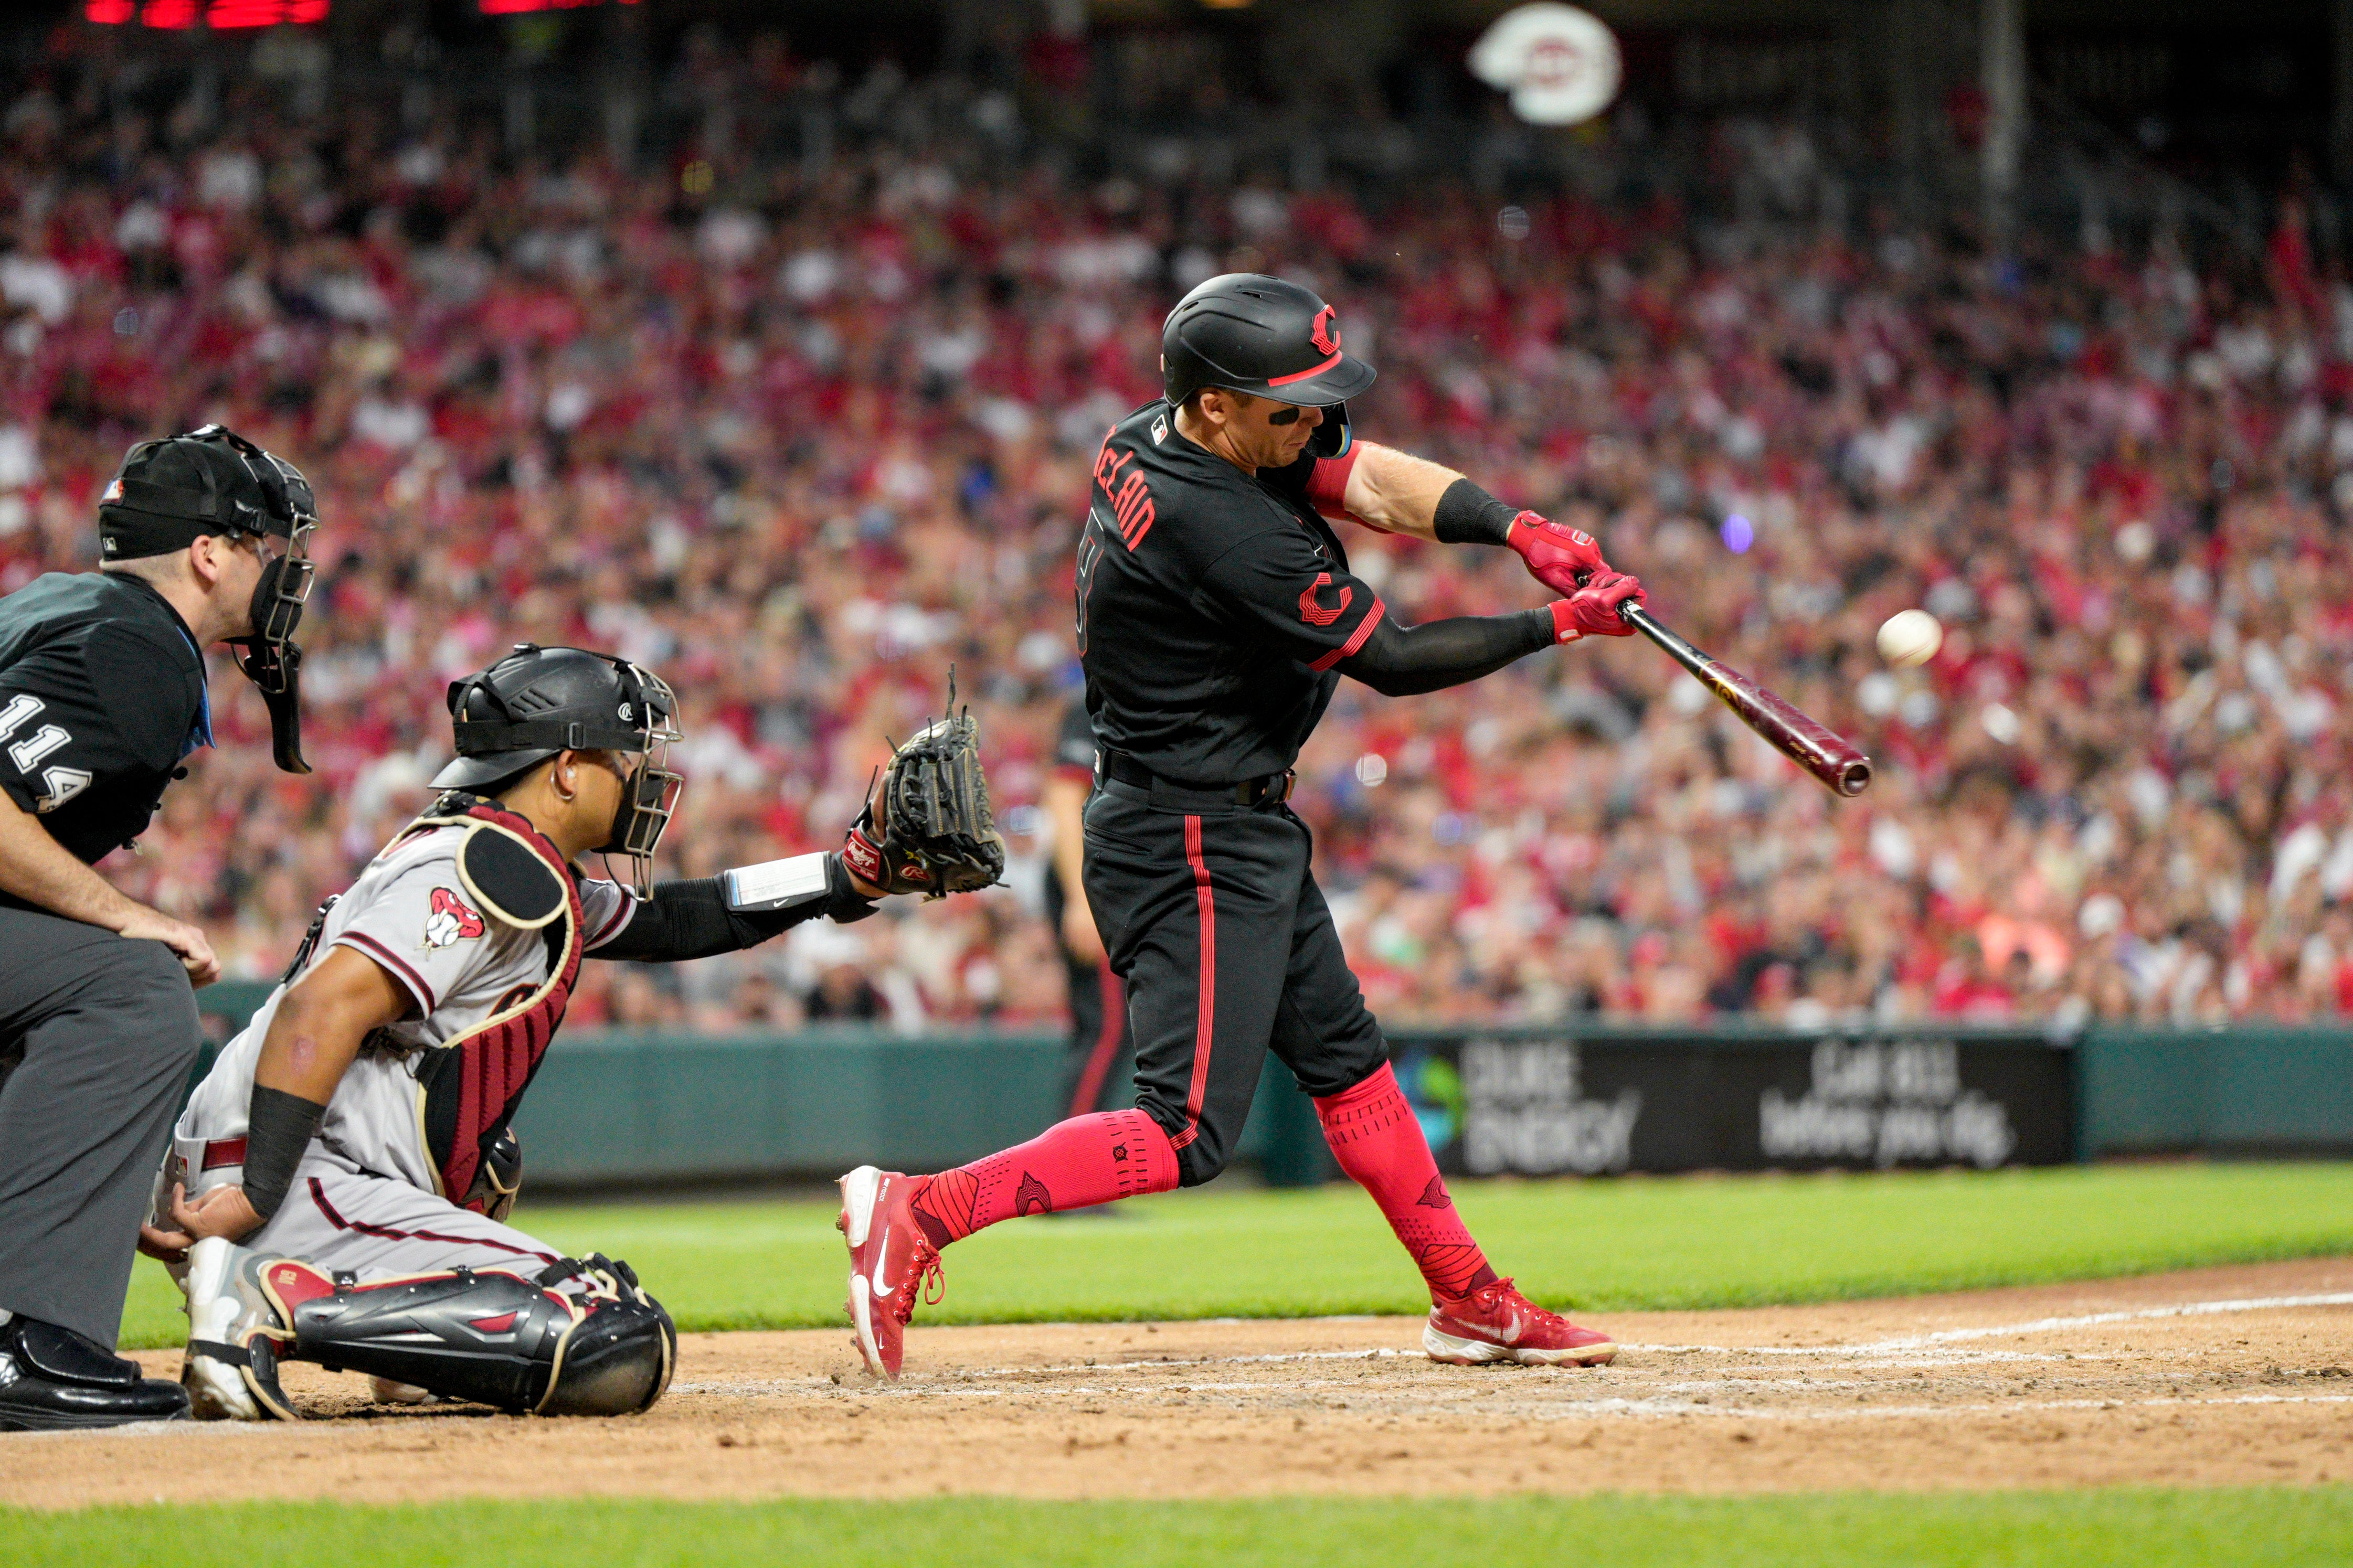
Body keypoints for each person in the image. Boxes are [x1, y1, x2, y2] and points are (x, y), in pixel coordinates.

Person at [835, 274, 1644, 1380]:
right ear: (1217, 407)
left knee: (1350, 1069)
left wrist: (1515, 526)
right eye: (1289, 407)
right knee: (1181, 1133)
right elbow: (1394, 661)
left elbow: (1364, 477)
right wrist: (1558, 621)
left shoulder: (1161, 430)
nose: (1315, 424)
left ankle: (1469, 1299)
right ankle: (919, 1210)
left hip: (1228, 822)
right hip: (1192, 837)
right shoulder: (1219, 527)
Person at [142, 644, 952, 1421]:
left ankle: (382, 1345)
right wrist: (255, 1196)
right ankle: (262, 1297)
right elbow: (319, 1009)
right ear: (566, 769)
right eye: (622, 756)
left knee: (492, 1155)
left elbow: (677, 918)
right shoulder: (486, 864)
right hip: (278, 1182)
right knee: (612, 1332)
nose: (641, 776)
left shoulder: (513, 856)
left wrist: (845, 874)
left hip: (294, 1164)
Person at [0, 425, 318, 1431]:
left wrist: (84, 1161)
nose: (276, 569)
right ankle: (24, 1333)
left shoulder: (64, 603)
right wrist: (126, 912)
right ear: (209, 552)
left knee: (78, 989)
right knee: (128, 984)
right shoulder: (138, 643)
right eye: (262, 544)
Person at [1041, 694, 1132, 1121]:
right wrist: (1081, 899)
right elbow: (1063, 797)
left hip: (1119, 879)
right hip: (1096, 878)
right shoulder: (1098, 703)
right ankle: (1066, 1168)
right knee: (1108, 1029)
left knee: (1107, 1030)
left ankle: (1066, 1165)